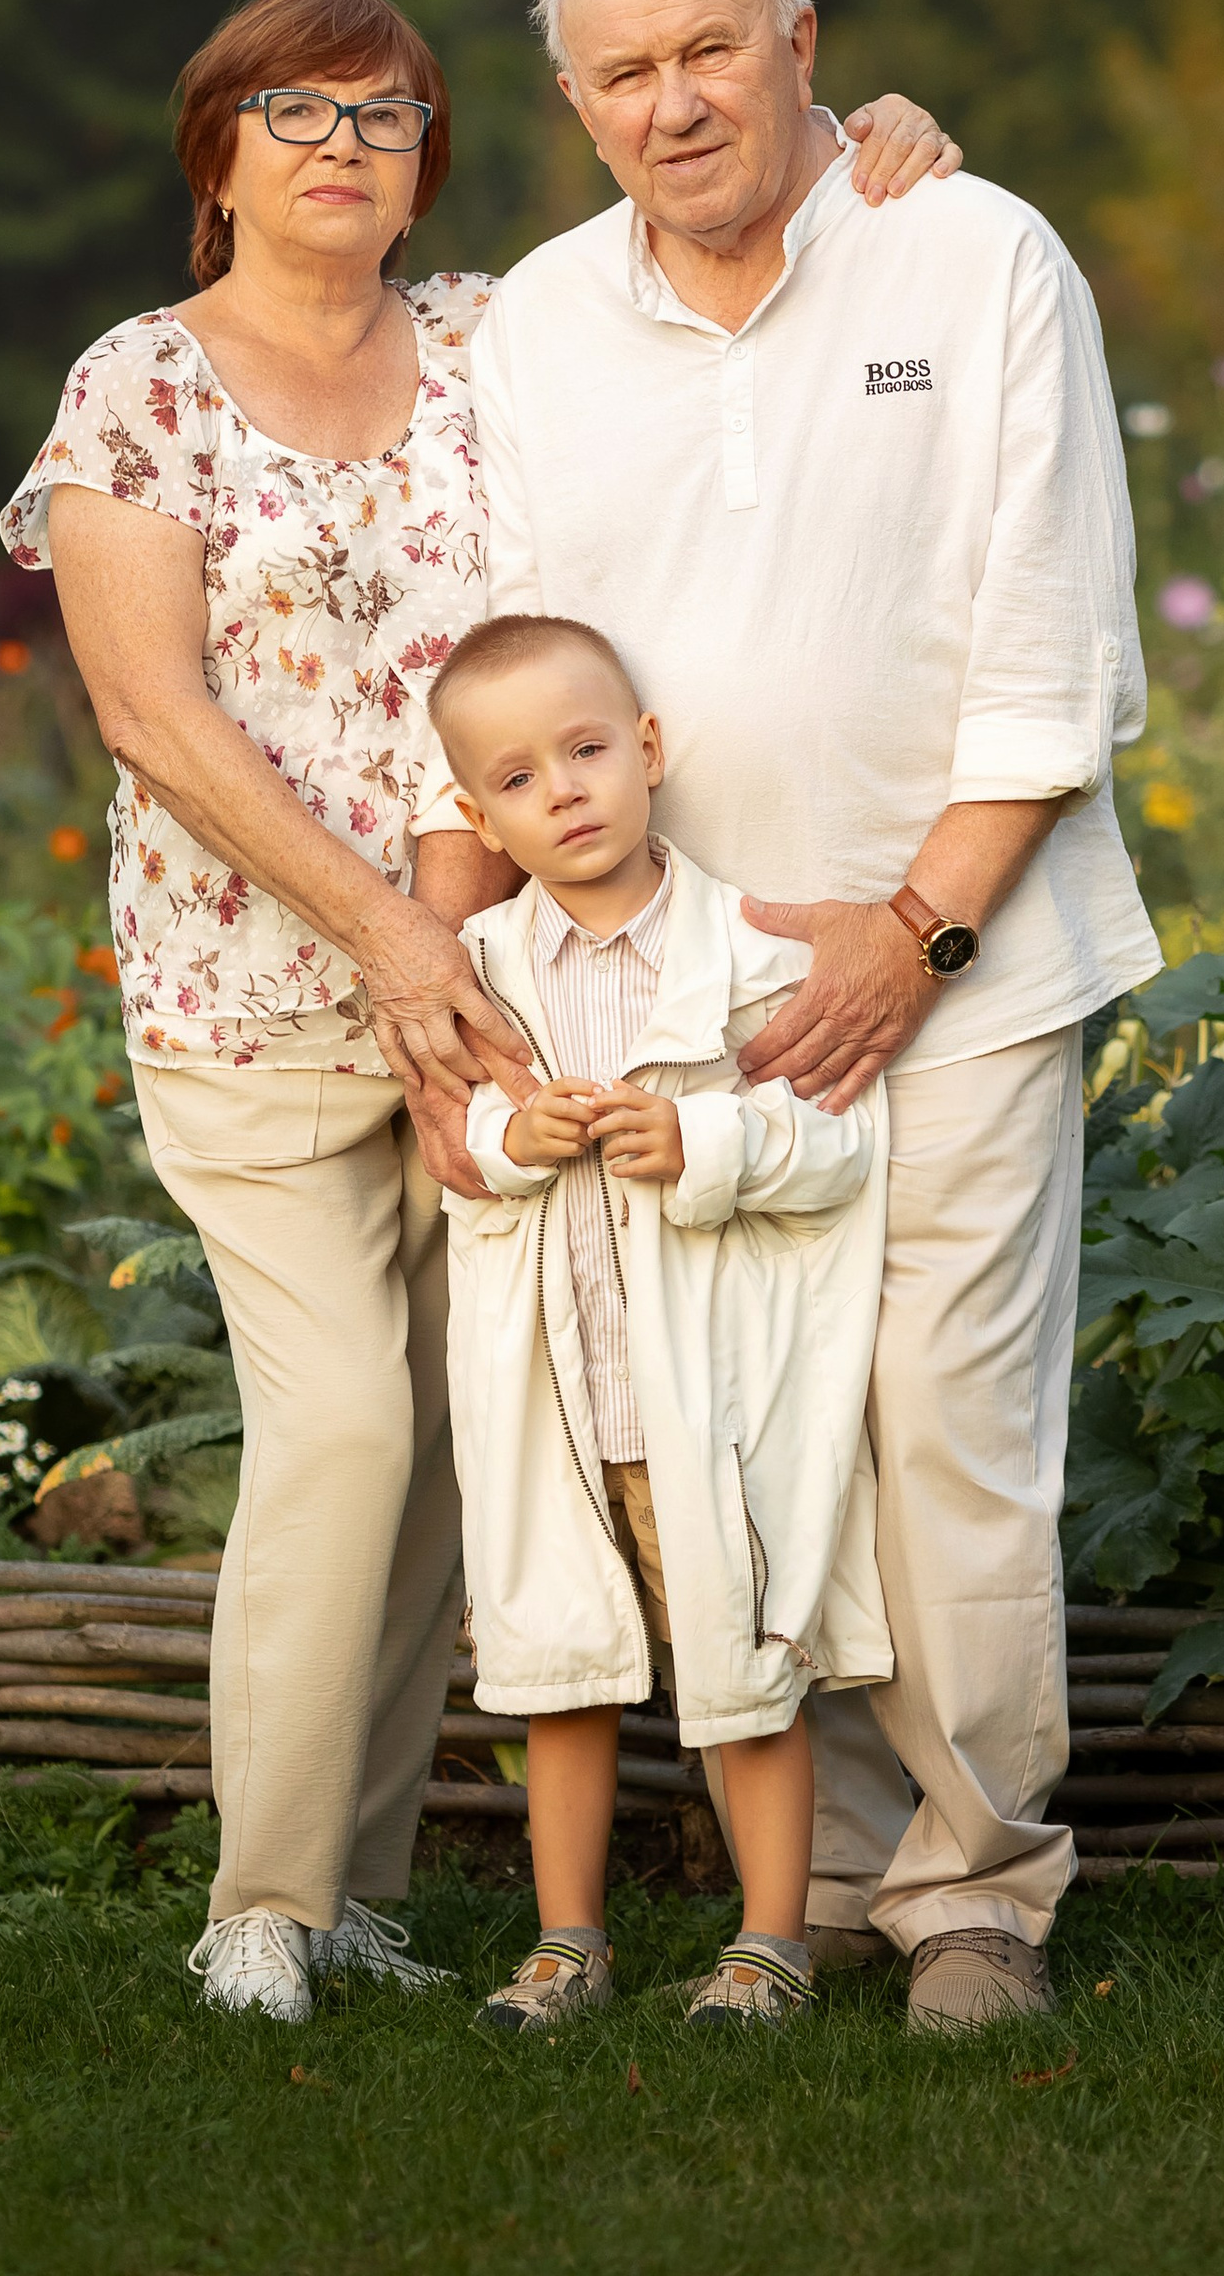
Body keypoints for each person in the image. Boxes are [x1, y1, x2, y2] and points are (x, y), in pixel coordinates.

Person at [0, 0, 957, 2023]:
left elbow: (701, 238)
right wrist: (384, 933)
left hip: (505, 999)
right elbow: (154, 718)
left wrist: (853, 139)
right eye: (295, 114)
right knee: (341, 1424)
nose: (342, 148)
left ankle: (352, 1895)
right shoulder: (137, 389)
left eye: (383, 115)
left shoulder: (481, 340)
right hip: (255, 997)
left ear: (429, 155)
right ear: (216, 151)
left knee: (466, 1440)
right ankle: (254, 1903)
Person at [452, 0, 1161, 2035]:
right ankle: (813, 1883)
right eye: (623, 71)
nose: (674, 102)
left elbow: (1050, 639)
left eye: (708, 47)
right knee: (756, 1438)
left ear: (797, 36)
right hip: (665, 1014)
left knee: (943, 1432)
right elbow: (494, 665)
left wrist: (913, 931)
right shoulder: (534, 328)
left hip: (954, 960)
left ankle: (968, 1899)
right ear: (572, 106)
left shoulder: (965, 250)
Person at [428, 611, 888, 2040]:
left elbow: (837, 1148)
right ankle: (571, 1942)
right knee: (561, 1676)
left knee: (747, 1674)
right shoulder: (483, 974)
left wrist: (702, 1138)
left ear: (647, 751)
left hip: (701, 1405)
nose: (561, 791)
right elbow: (459, 1154)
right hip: (559, 1406)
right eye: (516, 778)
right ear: (478, 816)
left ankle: (771, 1943)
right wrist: (518, 1132)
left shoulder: (743, 951)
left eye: (583, 751)